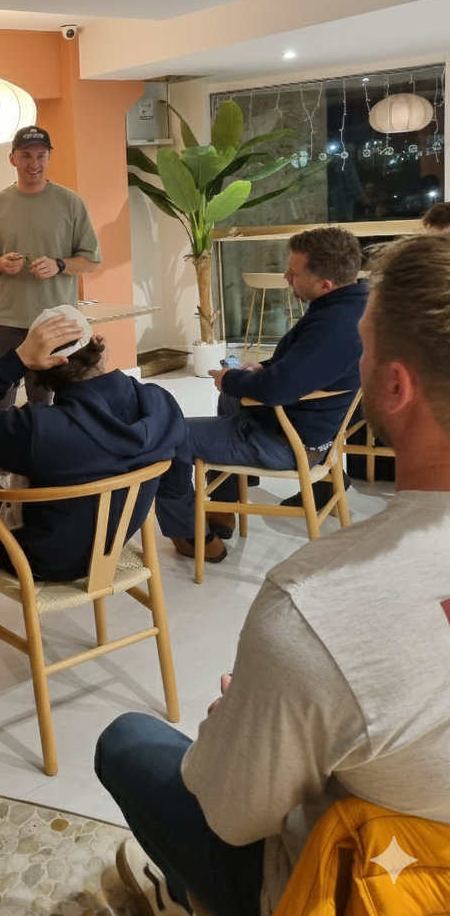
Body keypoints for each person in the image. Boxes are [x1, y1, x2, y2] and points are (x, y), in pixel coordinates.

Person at [95, 231, 450, 916]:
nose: (358, 358)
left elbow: (233, 814)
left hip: (368, 881)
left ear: (397, 384)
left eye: (367, 349)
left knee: (131, 741)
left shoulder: (316, 604)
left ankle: (193, 895)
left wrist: (239, 718)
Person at [0, 306, 186, 641]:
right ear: (98, 344)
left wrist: (15, 360)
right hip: (113, 547)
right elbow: (176, 477)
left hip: (42, 559)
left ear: (39, 371)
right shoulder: (160, 402)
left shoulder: (40, 429)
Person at [155, 226, 367, 564]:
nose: (286, 276)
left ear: (325, 284)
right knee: (230, 400)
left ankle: (190, 534)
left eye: (294, 273)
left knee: (169, 436)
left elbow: (276, 389)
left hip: (286, 441)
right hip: (314, 428)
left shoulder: (334, 327)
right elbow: (305, 362)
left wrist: (232, 380)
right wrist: (263, 368)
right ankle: (225, 506)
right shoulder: (353, 305)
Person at [0, 124, 101, 408]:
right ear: (12, 158)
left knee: (46, 399)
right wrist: (0, 263)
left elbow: (90, 259)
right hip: (5, 320)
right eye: (26, 156)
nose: (34, 164)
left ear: (50, 156)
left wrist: (59, 264)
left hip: (56, 320)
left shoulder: (71, 203)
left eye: (40, 155)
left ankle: (44, 451)